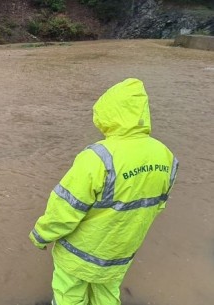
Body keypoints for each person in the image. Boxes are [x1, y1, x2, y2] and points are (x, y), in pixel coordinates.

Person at [29, 78, 178, 305]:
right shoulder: (165, 155)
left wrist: (41, 235)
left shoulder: (98, 157)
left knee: (68, 295)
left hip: (78, 254)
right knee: (107, 296)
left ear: (108, 113)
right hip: (120, 252)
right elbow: (158, 205)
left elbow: (66, 207)